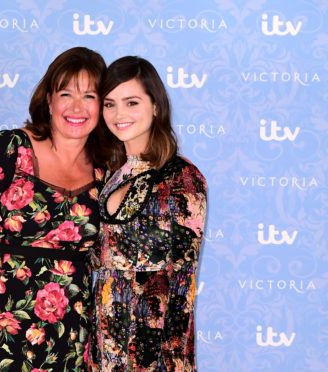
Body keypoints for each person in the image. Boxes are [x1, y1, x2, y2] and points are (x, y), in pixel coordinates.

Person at [0, 46, 109, 371]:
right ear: (48, 100)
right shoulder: (8, 149)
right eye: (66, 93)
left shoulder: (106, 172)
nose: (77, 107)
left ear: (103, 106)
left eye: (90, 96)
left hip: (69, 338)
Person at [90, 56, 207, 371]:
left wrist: (166, 360)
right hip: (102, 345)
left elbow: (182, 280)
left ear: (155, 106)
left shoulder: (182, 177)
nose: (119, 114)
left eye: (131, 102)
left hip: (151, 352)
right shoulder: (111, 173)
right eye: (110, 104)